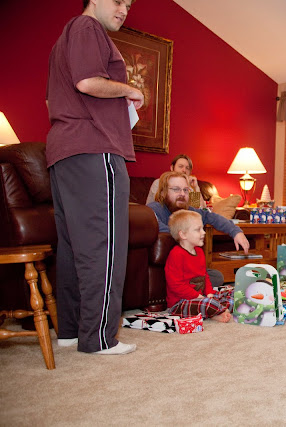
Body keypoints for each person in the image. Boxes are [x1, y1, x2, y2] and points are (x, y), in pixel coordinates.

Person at [46, 0, 143, 355]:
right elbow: (87, 82)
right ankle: (99, 337)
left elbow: (53, 100)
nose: (124, 10)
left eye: (129, 5)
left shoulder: (64, 38)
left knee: (73, 246)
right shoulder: (88, 28)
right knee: (104, 244)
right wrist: (129, 90)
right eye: (118, 1)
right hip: (94, 147)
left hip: (64, 151)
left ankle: (71, 331)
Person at [148, 171, 250, 286]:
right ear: (163, 192)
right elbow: (164, 230)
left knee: (217, 276)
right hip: (169, 268)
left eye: (185, 190)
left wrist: (236, 232)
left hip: (190, 268)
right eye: (176, 189)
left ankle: (193, 285)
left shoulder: (190, 210)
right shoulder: (154, 209)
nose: (182, 194)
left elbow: (212, 217)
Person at [165, 210, 232, 322]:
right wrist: (198, 297)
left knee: (229, 292)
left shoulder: (199, 252)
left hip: (200, 298)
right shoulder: (176, 254)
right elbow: (175, 285)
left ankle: (215, 310)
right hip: (180, 303)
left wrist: (209, 293)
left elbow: (205, 276)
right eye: (198, 230)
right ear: (183, 234)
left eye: (202, 228)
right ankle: (217, 310)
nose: (203, 232)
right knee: (207, 304)